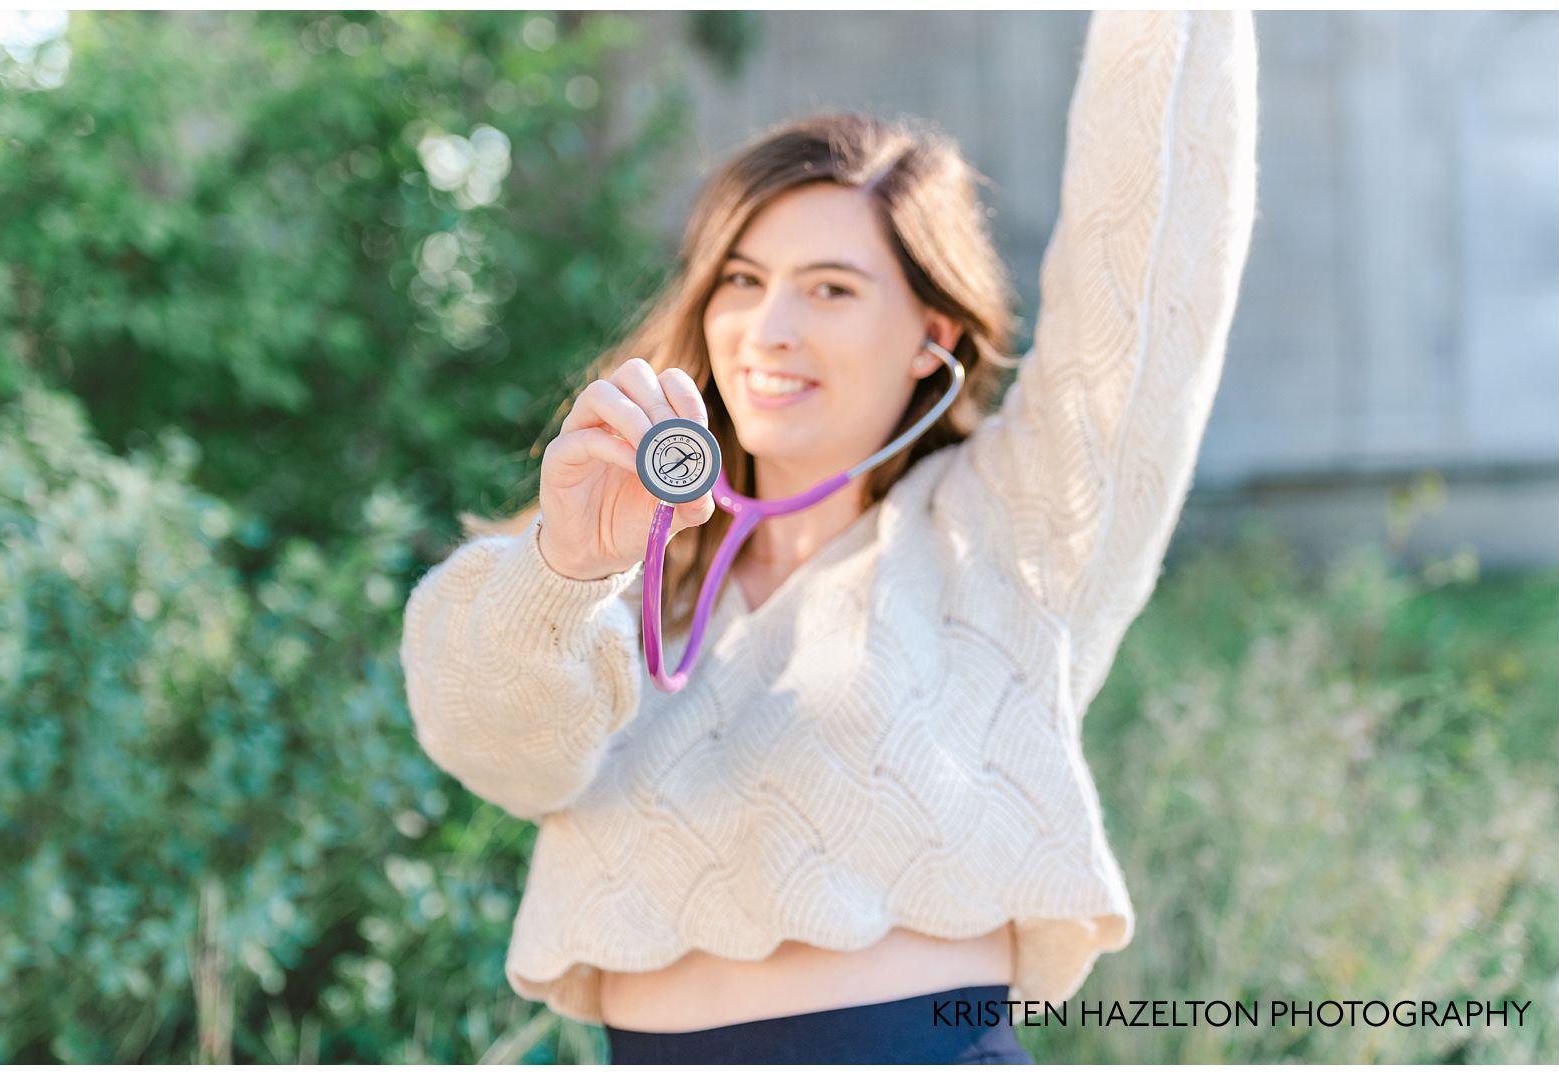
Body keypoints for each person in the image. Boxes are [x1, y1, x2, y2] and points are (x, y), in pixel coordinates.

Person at [399, 10, 1258, 1065]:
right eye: (742, 281)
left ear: (929, 340)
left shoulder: (1012, 531)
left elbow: (1155, 249)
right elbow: (500, 758)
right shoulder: (617, 550)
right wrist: (564, 570)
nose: (770, 329)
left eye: (832, 290)